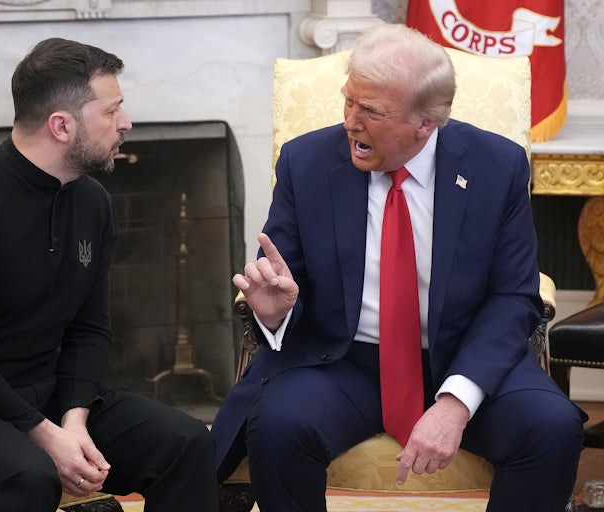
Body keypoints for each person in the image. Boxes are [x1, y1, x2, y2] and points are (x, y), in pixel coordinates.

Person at [211, 23, 586, 512]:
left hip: (462, 355)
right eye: (349, 102)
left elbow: (513, 295)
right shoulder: (306, 162)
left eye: (371, 111)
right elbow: (281, 277)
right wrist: (277, 311)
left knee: (551, 428)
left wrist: (455, 403)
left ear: (425, 123)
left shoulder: (497, 166)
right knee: (279, 426)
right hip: (344, 361)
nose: (350, 121)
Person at [0, 38, 219, 512]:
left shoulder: (93, 202)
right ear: (61, 125)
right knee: (27, 475)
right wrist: (42, 435)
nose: (126, 123)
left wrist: (74, 421)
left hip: (48, 393)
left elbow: (90, 327)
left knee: (185, 442)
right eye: (112, 111)